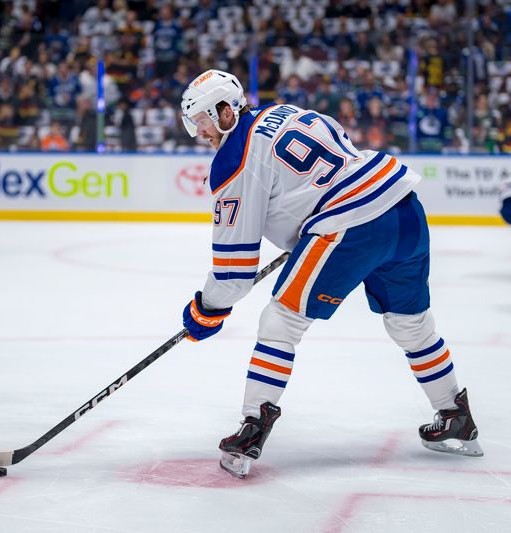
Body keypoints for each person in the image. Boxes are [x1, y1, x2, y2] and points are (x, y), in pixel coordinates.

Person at [179, 69, 482, 479]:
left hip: (350, 226)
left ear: (224, 111)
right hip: (402, 206)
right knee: (412, 326)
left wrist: (205, 311)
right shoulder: (282, 111)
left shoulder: (235, 159)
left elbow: (234, 272)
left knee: (281, 320)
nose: (199, 133)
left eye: (201, 121)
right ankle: (455, 416)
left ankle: (252, 428)